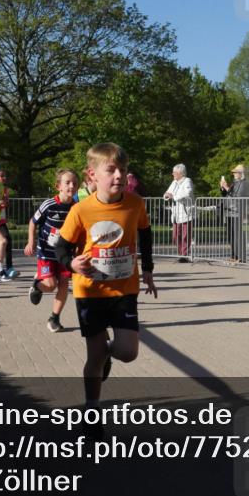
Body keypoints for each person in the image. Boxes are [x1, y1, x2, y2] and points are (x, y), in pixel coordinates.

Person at [54, 143, 158, 416]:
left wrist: (147, 268)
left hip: (124, 290)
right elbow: (61, 247)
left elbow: (145, 233)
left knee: (128, 352)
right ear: (92, 175)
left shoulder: (135, 203)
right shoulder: (81, 210)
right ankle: (92, 411)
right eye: (110, 170)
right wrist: (71, 263)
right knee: (93, 356)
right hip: (90, 292)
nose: (119, 176)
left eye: (122, 170)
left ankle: (108, 354)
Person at [25, 168, 79, 332]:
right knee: (50, 284)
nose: (71, 186)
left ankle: (54, 318)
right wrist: (30, 242)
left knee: (63, 284)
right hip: (46, 253)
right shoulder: (49, 204)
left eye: (75, 183)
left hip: (65, 255)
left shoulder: (76, 208)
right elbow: (33, 222)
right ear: (58, 186)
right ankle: (37, 286)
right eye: (67, 182)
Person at [163, 163, 194, 262]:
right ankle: (180, 254)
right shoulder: (174, 182)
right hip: (176, 213)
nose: (173, 174)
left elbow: (187, 193)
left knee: (185, 235)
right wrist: (167, 196)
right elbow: (167, 193)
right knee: (176, 235)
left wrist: (174, 196)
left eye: (175, 172)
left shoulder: (187, 181)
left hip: (185, 212)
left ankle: (184, 255)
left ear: (181, 173)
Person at [220, 164, 247, 262]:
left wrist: (226, 187)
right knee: (231, 235)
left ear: (241, 173)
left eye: (236, 172)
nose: (234, 174)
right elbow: (226, 195)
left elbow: (237, 197)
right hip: (230, 211)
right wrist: (223, 188)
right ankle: (233, 256)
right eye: (234, 172)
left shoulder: (243, 184)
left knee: (238, 236)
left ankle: (240, 257)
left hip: (237, 212)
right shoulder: (234, 183)